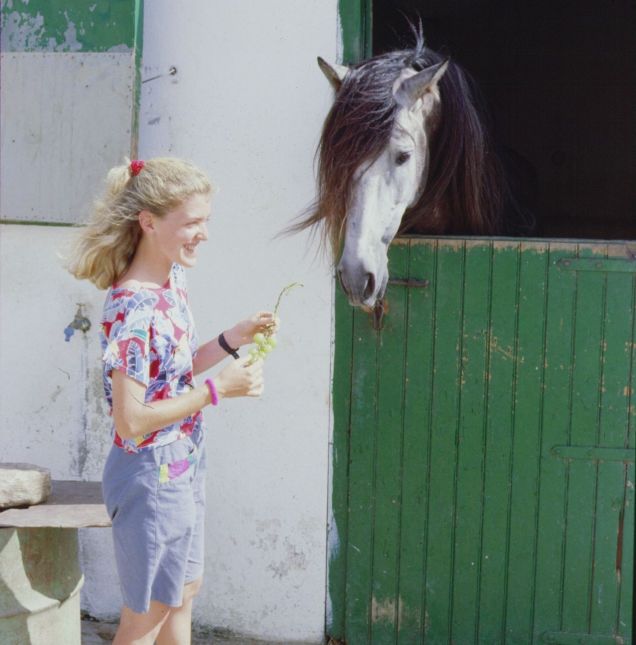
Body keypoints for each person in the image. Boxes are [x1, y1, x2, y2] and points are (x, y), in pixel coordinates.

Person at [68, 157, 277, 644]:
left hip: (181, 464)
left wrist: (234, 337)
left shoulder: (170, 284)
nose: (203, 233)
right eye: (192, 223)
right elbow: (132, 420)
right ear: (149, 222)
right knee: (147, 618)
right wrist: (218, 390)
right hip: (149, 476)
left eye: (206, 221)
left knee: (182, 595)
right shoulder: (135, 308)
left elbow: (174, 371)